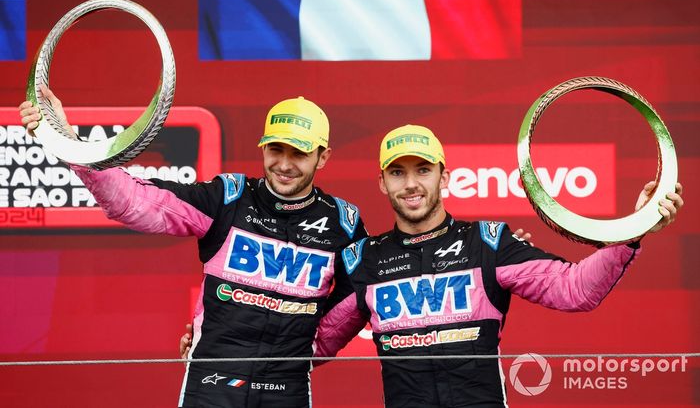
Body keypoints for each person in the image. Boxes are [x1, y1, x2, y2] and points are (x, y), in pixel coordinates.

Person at [19, 86, 368, 408]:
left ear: (322, 157)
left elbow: (357, 299)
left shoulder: (344, 223)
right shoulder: (228, 198)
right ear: (263, 147)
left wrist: (309, 349)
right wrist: (67, 141)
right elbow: (135, 202)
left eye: (300, 153)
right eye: (276, 149)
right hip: (212, 384)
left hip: (286, 388)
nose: (285, 164)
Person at [312, 124, 683, 408]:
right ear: (381, 182)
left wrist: (634, 228)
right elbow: (314, 345)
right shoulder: (364, 259)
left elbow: (575, 290)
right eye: (397, 173)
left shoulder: (487, 242)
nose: (411, 184)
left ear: (444, 177)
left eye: (423, 170)